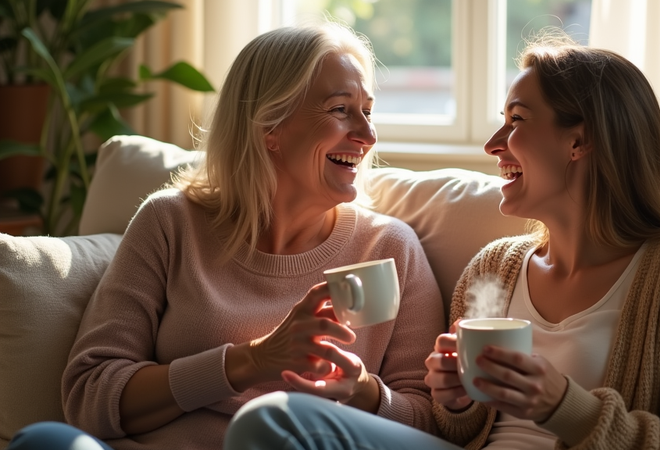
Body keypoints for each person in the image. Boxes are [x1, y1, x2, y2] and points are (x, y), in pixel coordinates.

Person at [221, 30, 660, 450]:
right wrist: (453, 404)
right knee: (275, 422)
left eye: (517, 121)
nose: (493, 143)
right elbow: (455, 432)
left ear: (580, 140)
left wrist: (563, 406)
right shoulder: (494, 268)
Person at [8, 22, 445, 450]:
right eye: (340, 109)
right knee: (43, 441)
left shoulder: (389, 249)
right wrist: (250, 362)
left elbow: (429, 421)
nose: (368, 135)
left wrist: (363, 391)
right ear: (270, 126)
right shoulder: (170, 223)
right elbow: (89, 394)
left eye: (367, 111)